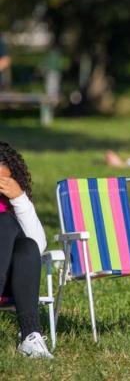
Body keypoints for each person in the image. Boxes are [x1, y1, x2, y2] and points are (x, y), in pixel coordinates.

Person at [0, 142, 53, 359]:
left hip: (11, 283)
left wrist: (19, 198)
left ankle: (31, 335)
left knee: (28, 245)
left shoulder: (13, 204)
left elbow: (38, 246)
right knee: (5, 223)